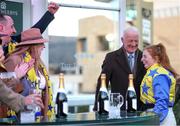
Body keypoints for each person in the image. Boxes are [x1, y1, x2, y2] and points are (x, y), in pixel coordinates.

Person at [4, 28, 55, 119]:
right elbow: (5, 90)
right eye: (41, 43)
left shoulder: (39, 63)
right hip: (20, 116)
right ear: (33, 46)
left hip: (39, 115)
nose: (44, 46)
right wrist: (17, 76)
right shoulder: (14, 60)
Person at [93, 27, 146, 111]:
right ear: (122, 40)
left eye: (136, 41)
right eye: (130, 41)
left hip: (140, 109)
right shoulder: (111, 57)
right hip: (119, 109)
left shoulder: (144, 58)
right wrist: (98, 107)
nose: (133, 44)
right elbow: (102, 82)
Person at [140, 43, 177, 125]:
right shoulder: (154, 73)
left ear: (156, 58)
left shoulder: (160, 75)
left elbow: (162, 102)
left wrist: (153, 119)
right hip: (156, 116)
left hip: (161, 118)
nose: (141, 59)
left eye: (145, 56)